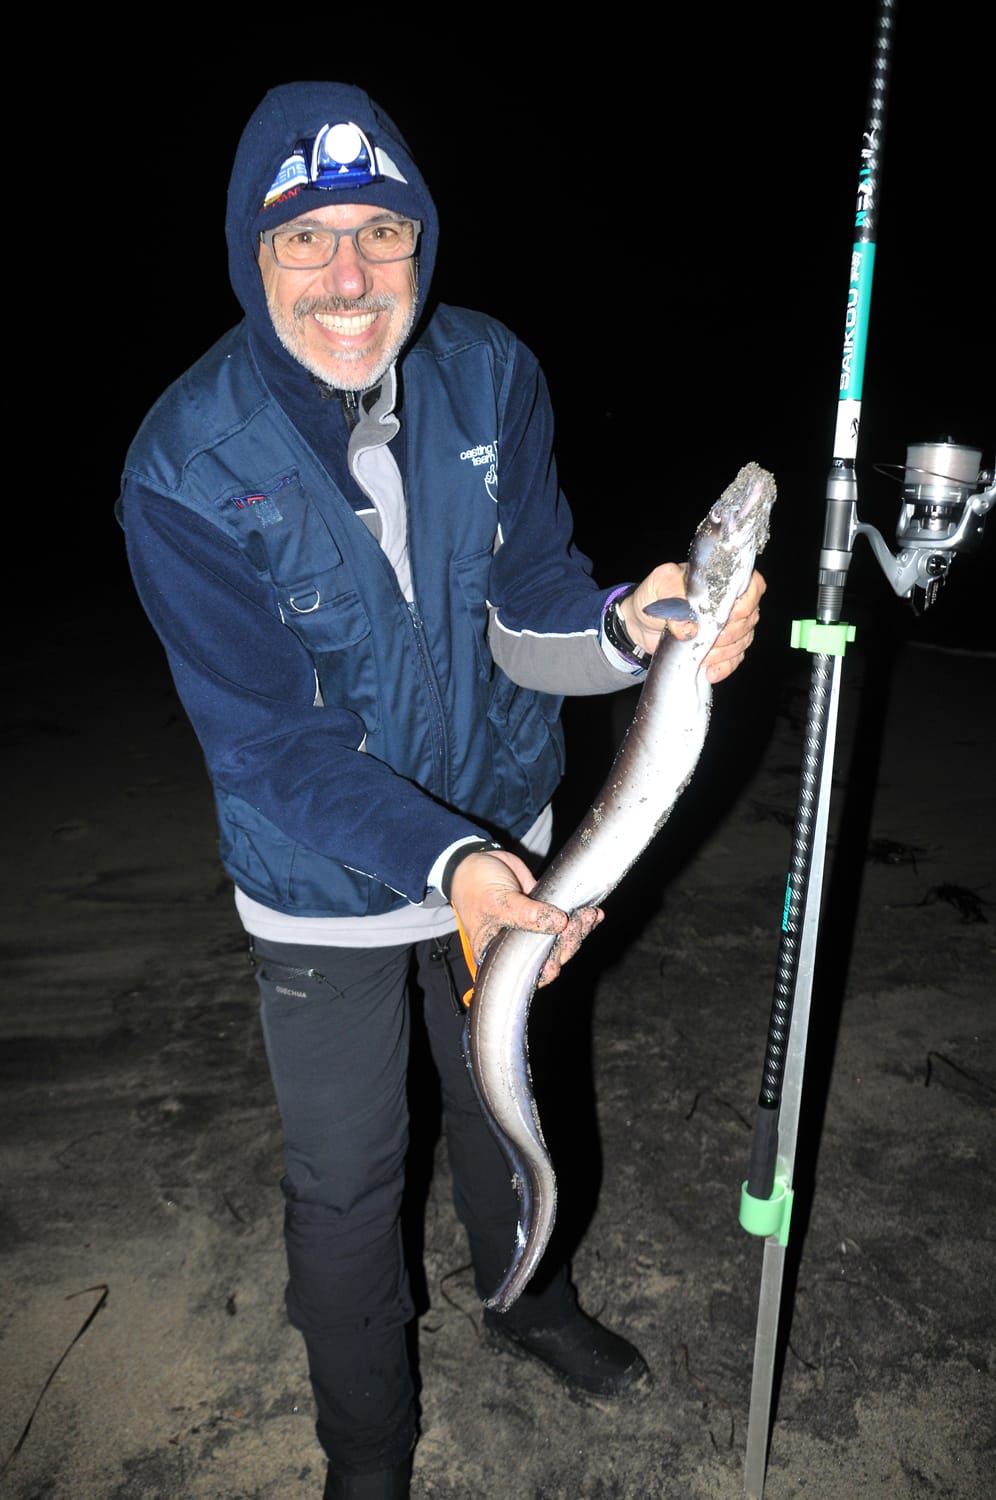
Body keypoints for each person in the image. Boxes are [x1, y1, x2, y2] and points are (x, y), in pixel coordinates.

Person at [118, 82, 765, 1500]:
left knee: (500, 1096)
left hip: (514, 833)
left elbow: (527, 600)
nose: (350, 277)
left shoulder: (489, 372)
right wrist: (450, 868)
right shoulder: (182, 466)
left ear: (422, 242)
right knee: (348, 1177)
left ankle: (530, 1299)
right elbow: (271, 748)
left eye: (382, 233)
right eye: (306, 240)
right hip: (322, 880)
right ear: (251, 257)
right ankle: (366, 1452)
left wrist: (634, 628)